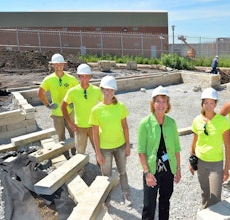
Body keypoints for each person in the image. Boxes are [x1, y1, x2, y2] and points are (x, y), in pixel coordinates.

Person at [137, 85, 181, 220]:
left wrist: (178, 169)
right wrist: (147, 173)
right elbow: (141, 151)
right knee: (149, 205)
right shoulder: (145, 124)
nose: (161, 105)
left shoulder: (172, 123)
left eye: (164, 101)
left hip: (168, 168)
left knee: (165, 202)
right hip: (151, 170)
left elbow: (177, 148)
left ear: (168, 104)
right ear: (153, 103)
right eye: (158, 101)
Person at [89, 75, 131, 205]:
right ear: (101, 90)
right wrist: (98, 153)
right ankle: (106, 198)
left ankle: (126, 193)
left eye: (112, 90)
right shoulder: (96, 110)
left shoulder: (120, 107)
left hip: (120, 145)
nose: (109, 93)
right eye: (106, 90)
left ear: (114, 91)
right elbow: (95, 133)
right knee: (106, 175)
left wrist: (128, 146)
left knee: (122, 171)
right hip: (104, 148)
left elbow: (125, 127)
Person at [189, 88, 230, 209]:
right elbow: (194, 142)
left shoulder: (222, 121)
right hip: (201, 162)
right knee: (205, 194)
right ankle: (205, 213)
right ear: (202, 104)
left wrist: (226, 169)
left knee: (216, 197)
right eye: (206, 103)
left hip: (216, 164)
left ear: (216, 104)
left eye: (211, 103)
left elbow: (228, 147)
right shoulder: (197, 121)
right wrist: (191, 162)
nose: (208, 106)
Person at [38, 53, 79, 157]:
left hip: (69, 112)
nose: (58, 66)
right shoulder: (49, 79)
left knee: (73, 134)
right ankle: (65, 155)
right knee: (61, 136)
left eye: (60, 64)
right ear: (53, 65)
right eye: (56, 64)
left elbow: (78, 92)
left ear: (63, 65)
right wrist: (48, 105)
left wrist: (74, 103)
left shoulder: (71, 79)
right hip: (57, 114)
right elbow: (40, 93)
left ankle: (75, 153)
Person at [61, 63, 103, 155]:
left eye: (87, 76)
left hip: (94, 126)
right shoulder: (73, 91)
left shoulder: (96, 90)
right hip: (79, 128)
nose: (84, 79)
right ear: (78, 77)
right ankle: (81, 169)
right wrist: (70, 123)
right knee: (80, 153)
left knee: (99, 150)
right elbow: (63, 106)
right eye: (82, 77)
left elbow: (106, 103)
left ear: (90, 77)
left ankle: (101, 168)